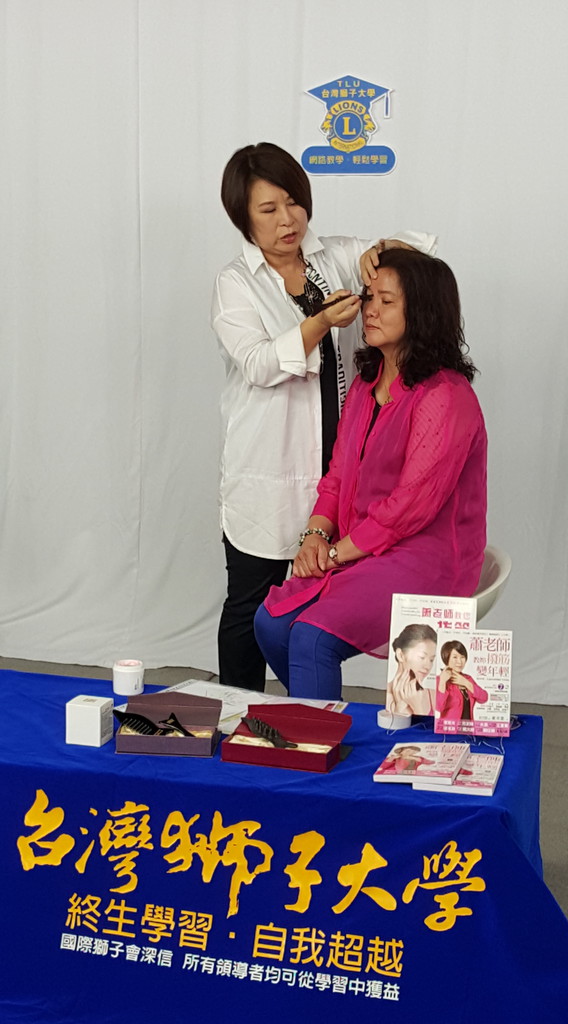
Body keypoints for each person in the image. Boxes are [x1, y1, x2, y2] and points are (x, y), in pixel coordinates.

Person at [212, 142, 436, 691]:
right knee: (249, 604)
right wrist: (318, 324)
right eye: (269, 209)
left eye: (294, 202)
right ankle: (240, 709)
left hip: (335, 473)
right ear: (243, 218)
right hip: (266, 470)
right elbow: (259, 364)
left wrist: (381, 250)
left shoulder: (334, 256)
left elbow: (421, 252)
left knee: (310, 600)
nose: (287, 220)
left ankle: (304, 711)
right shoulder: (235, 284)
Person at [255, 247, 487, 700]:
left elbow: (409, 508)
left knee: (312, 637)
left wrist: (336, 554)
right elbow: (338, 474)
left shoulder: (446, 395)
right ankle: (326, 723)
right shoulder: (366, 383)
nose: (370, 310)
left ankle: (317, 737)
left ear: (421, 312)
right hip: (362, 548)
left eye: (386, 301)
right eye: (368, 297)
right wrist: (315, 536)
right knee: (270, 623)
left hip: (425, 558)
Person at [386, 624, 438, 716]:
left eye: (431, 660)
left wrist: (418, 707)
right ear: (400, 655)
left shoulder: (433, 695)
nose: (428, 666)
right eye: (422, 657)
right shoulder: (386, 695)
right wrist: (400, 707)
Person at [436, 640, 488, 724]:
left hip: (468, 729)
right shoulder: (439, 680)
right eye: (455, 657)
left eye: (462, 657)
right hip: (449, 729)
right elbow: (439, 707)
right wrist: (442, 682)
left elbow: (484, 698)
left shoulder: (468, 679)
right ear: (446, 658)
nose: (459, 662)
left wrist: (466, 683)